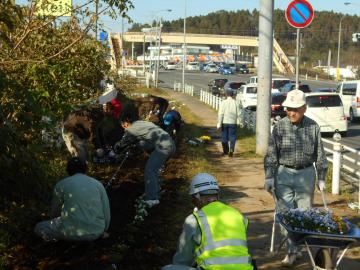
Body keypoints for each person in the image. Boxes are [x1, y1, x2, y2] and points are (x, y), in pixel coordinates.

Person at [263, 89, 328, 266]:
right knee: (285, 214)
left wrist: (321, 177)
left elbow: (320, 154)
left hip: (306, 174)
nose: (291, 112)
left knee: (304, 214)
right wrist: (269, 176)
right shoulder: (280, 126)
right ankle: (291, 251)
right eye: (288, 108)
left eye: (296, 109)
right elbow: (271, 154)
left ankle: (297, 247)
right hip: (283, 173)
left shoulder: (313, 127)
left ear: (304, 108)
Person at [162, 173, 254, 270]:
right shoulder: (238, 215)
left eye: (193, 199)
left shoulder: (194, 220)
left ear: (197, 197)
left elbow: (183, 259)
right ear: (217, 195)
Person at [34, 157, 111, 242]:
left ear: (68, 170)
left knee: (39, 227)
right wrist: (104, 229)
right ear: (85, 169)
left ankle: (55, 239)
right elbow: (106, 210)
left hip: (69, 233)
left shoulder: (61, 184)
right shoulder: (97, 184)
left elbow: (55, 211)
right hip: (96, 232)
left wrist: (56, 221)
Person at [114, 107, 175, 207]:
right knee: (153, 169)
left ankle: (152, 199)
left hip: (163, 147)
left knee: (149, 170)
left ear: (125, 123)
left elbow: (123, 143)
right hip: (169, 143)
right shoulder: (141, 123)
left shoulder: (132, 129)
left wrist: (114, 150)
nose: (124, 129)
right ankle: (155, 191)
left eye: (123, 127)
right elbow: (145, 142)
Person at [216, 88, 242, 157]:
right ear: (232, 94)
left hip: (225, 122)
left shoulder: (223, 103)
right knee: (232, 137)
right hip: (233, 122)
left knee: (224, 137)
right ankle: (231, 149)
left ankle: (225, 151)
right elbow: (239, 114)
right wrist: (240, 122)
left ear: (226, 94)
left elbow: (220, 114)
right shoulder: (236, 103)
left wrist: (219, 123)